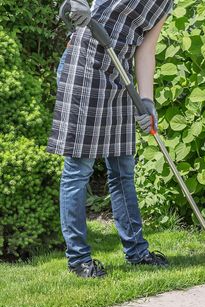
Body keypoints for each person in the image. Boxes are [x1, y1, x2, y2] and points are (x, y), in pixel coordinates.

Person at [46, 0, 173, 278]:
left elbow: (146, 49)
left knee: (123, 169)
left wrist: (147, 101)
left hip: (120, 72)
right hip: (84, 62)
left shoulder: (166, 3)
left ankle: (137, 252)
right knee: (79, 169)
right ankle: (78, 259)